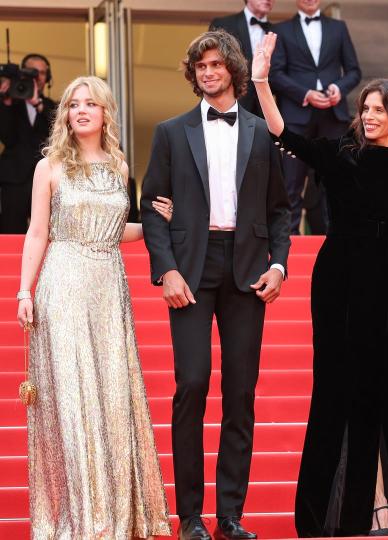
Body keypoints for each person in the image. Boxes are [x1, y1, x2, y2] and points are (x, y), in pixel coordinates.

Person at [251, 31, 388, 537]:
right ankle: (331, 511)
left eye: (378, 109)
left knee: (383, 390)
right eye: (365, 107)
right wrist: (261, 80)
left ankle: (383, 505)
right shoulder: (339, 153)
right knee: (337, 388)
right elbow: (284, 133)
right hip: (339, 280)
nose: (368, 116)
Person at [140, 29, 291, 540]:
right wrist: (168, 269)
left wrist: (279, 266)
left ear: (232, 71)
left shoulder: (258, 132)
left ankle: (230, 514)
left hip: (248, 269)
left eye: (215, 65)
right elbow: (151, 205)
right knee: (192, 384)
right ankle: (189, 516)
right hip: (192, 265)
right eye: (200, 66)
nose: (207, 73)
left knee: (241, 392)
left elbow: (280, 211)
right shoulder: (170, 131)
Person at [16, 75, 172, 539]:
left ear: (105, 113)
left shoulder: (119, 165)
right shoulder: (49, 167)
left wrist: (150, 225)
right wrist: (25, 290)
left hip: (108, 287)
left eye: (90, 103)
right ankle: (83, 521)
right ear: (65, 114)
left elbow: (111, 228)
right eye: (72, 104)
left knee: (110, 398)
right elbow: (39, 232)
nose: (80, 110)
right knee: (72, 401)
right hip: (62, 283)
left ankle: (115, 515)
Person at [270, 0, 362, 234]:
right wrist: (306, 94)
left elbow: (354, 71)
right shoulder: (281, 30)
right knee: (291, 179)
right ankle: (287, 239)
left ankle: (337, 234)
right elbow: (276, 74)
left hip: (333, 114)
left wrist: (338, 88)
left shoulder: (338, 27)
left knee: (336, 178)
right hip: (296, 115)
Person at [0, 53, 57, 233]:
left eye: (42, 73)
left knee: (47, 230)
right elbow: (7, 138)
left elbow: (59, 130)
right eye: (32, 72)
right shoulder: (9, 103)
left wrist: (37, 103)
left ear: (47, 78)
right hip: (14, 179)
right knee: (11, 230)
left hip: (46, 179)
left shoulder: (50, 105)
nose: (37, 77)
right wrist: (6, 102)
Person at [209, 0, 275, 117]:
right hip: (230, 103)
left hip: (265, 108)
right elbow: (214, 63)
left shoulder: (278, 31)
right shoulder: (222, 24)